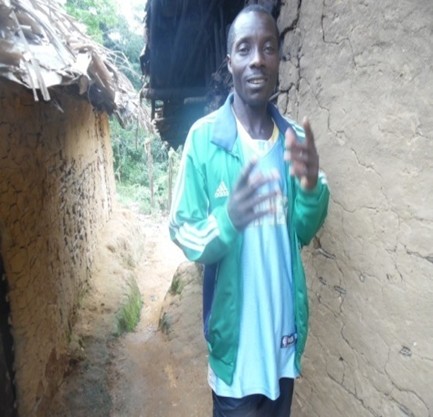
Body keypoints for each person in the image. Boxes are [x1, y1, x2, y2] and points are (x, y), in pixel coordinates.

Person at [169, 5, 329, 416]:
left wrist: (310, 189)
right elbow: (183, 229)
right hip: (235, 353)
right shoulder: (205, 139)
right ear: (230, 62)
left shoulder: (293, 140)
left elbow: (303, 230)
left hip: (283, 343)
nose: (257, 59)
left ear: (278, 59)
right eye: (245, 49)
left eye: (268, 47)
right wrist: (229, 220)